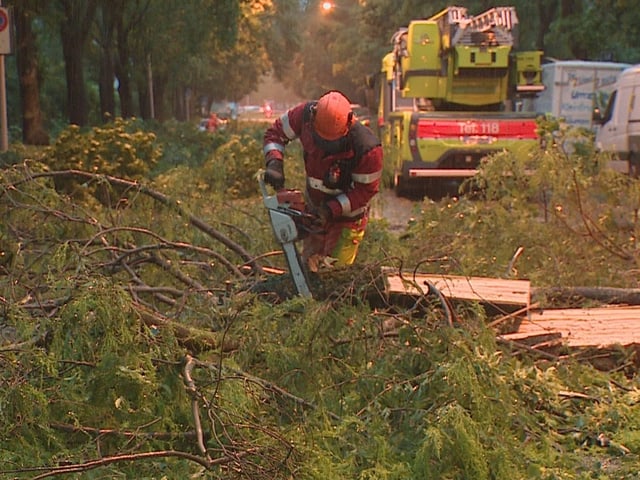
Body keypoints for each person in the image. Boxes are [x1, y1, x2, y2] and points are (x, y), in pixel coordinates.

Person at [262, 90, 383, 271]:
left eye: (331, 142)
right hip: (315, 208)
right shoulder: (303, 115)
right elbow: (275, 133)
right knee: (308, 268)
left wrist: (330, 209)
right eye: (322, 139)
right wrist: (274, 162)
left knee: (335, 275)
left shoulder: (367, 149)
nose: (326, 146)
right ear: (313, 117)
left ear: (349, 123)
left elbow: (364, 192)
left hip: (349, 218)